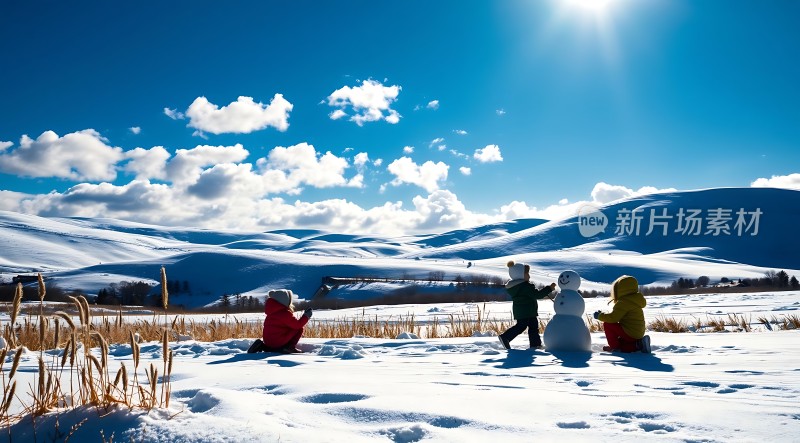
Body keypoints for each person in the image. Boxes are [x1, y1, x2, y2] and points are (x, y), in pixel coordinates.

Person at [498, 261, 556, 350]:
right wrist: (549, 288)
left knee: (530, 326)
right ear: (520, 275)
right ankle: (505, 337)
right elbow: (537, 295)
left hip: (524, 311)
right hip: (527, 311)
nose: (529, 276)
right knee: (525, 327)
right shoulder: (524, 286)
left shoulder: (516, 287)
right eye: (527, 273)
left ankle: (535, 345)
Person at [593, 275, 652, 353]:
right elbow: (616, 316)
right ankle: (638, 344)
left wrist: (600, 316)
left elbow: (613, 318)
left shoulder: (623, 302)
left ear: (619, 290)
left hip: (630, 333)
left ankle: (615, 347)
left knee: (608, 324)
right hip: (638, 333)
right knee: (622, 342)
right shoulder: (635, 300)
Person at [261, 289, 313, 353]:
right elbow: (297, 325)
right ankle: (289, 347)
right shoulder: (284, 313)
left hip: (268, 342)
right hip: (277, 342)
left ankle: (272, 347)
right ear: (284, 300)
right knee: (299, 329)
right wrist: (306, 316)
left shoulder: (271, 312)